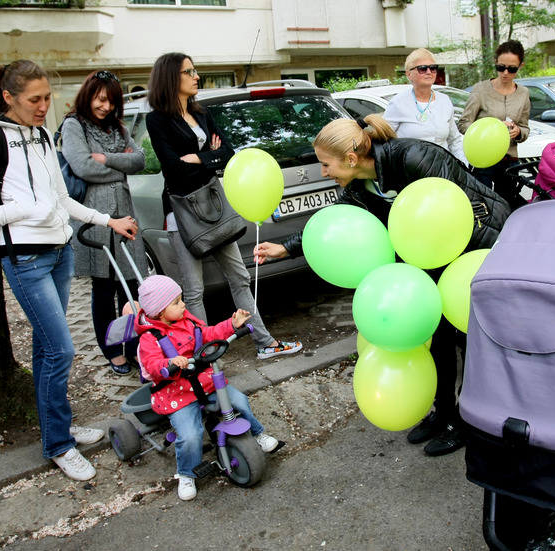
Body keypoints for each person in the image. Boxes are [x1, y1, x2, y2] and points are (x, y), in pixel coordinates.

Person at [253, 115, 512, 457]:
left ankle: (467, 421)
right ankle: (444, 412)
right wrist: (286, 246)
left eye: (325, 164)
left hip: (476, 246)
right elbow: (335, 221)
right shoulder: (359, 188)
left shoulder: (414, 157)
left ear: (350, 158)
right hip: (428, 256)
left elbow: (450, 210)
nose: (323, 172)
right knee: (433, 334)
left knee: (470, 339)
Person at [0, 60, 139, 481]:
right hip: (25, 260)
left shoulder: (39, 135)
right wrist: (19, 211)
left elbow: (61, 198)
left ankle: (58, 429)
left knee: (44, 351)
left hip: (60, 253)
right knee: (62, 351)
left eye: (47, 98)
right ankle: (58, 445)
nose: (43, 107)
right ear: (8, 98)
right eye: (34, 99)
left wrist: (105, 220)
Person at [143, 52, 302, 361]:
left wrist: (199, 158)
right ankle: (202, 356)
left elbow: (227, 153)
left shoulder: (202, 114)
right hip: (183, 215)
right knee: (193, 291)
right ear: (170, 78)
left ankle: (265, 343)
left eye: (195, 70)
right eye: (188, 72)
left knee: (240, 277)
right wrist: (208, 157)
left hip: (216, 210)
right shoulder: (157, 120)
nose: (196, 76)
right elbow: (174, 170)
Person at [133, 275, 283, 501]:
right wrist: (170, 363)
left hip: (205, 382)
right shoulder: (150, 340)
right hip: (178, 393)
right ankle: (186, 473)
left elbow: (209, 334)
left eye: (181, 299)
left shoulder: (188, 321)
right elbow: (151, 365)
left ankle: (257, 434)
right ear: (159, 312)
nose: (183, 305)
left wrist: (231, 325)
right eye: (176, 302)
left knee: (239, 401)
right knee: (191, 435)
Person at [60, 70, 147, 375]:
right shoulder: (73, 125)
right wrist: (117, 163)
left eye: (111, 101)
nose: (106, 107)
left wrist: (106, 159)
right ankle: (112, 350)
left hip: (126, 213)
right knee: (104, 287)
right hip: (95, 217)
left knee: (132, 287)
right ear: (88, 95)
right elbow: (82, 166)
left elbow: (140, 160)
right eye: (100, 99)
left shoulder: (118, 128)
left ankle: (136, 347)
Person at [458, 39, 531, 209]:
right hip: (483, 159)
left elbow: (526, 128)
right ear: (495, 62)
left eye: (512, 69)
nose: (505, 72)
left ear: (521, 66)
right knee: (482, 205)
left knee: (506, 205)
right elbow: (463, 124)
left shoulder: (523, 93)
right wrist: (490, 129)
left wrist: (518, 131)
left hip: (510, 159)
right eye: (501, 67)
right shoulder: (481, 90)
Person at [382, 48, 467, 165]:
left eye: (433, 68)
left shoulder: (444, 101)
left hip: (443, 169)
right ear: (409, 74)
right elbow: (384, 141)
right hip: (411, 171)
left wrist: (463, 166)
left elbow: (454, 140)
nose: (429, 72)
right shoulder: (398, 103)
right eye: (422, 68)